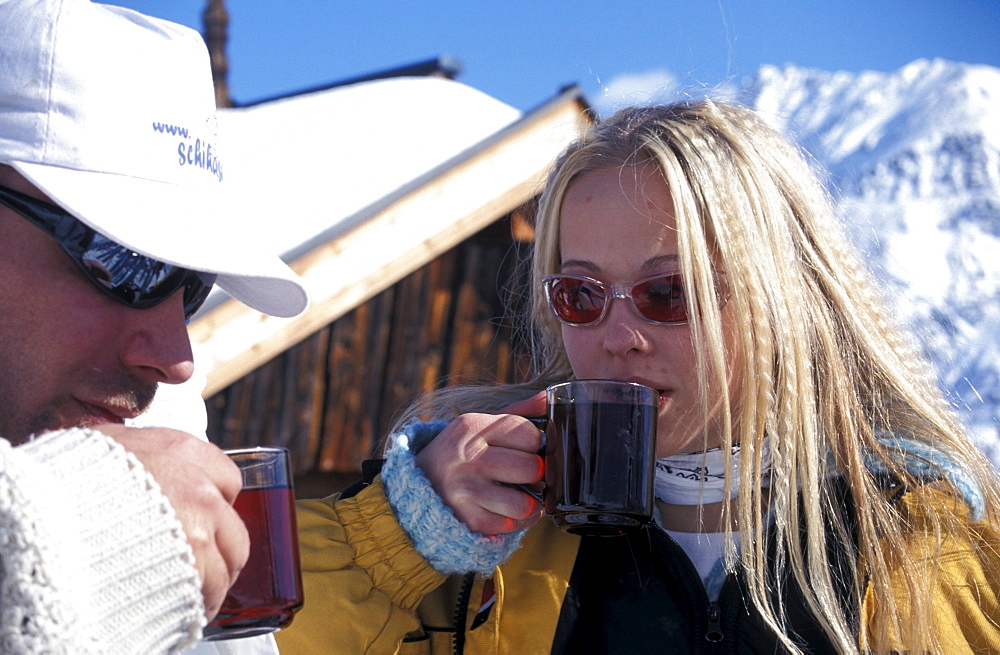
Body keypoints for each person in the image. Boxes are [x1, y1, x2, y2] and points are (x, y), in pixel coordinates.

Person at [277, 99, 1000, 654]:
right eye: (581, 296)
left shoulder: (916, 534)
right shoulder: (480, 534)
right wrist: (398, 533)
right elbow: (241, 631)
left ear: (783, 299)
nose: (618, 337)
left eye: (670, 292)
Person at [0, 0, 308, 652]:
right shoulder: (120, 505)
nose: (176, 358)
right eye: (127, 263)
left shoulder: (166, 461)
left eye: (192, 286)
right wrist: (55, 545)